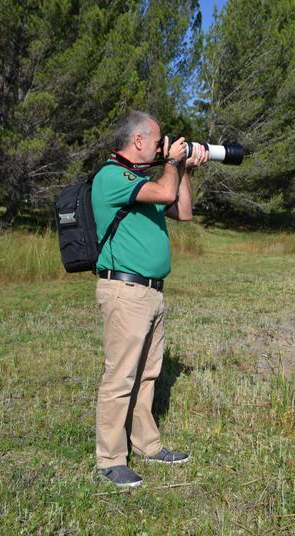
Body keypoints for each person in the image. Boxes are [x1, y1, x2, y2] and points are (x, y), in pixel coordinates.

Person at [91, 110, 208, 487]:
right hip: (125, 291)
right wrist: (172, 163)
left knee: (147, 375)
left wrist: (185, 167)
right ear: (138, 140)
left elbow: (183, 211)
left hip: (151, 293)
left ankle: (147, 445)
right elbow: (165, 191)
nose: (162, 146)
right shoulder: (113, 176)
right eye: (158, 141)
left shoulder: (144, 181)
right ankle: (110, 459)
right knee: (120, 376)